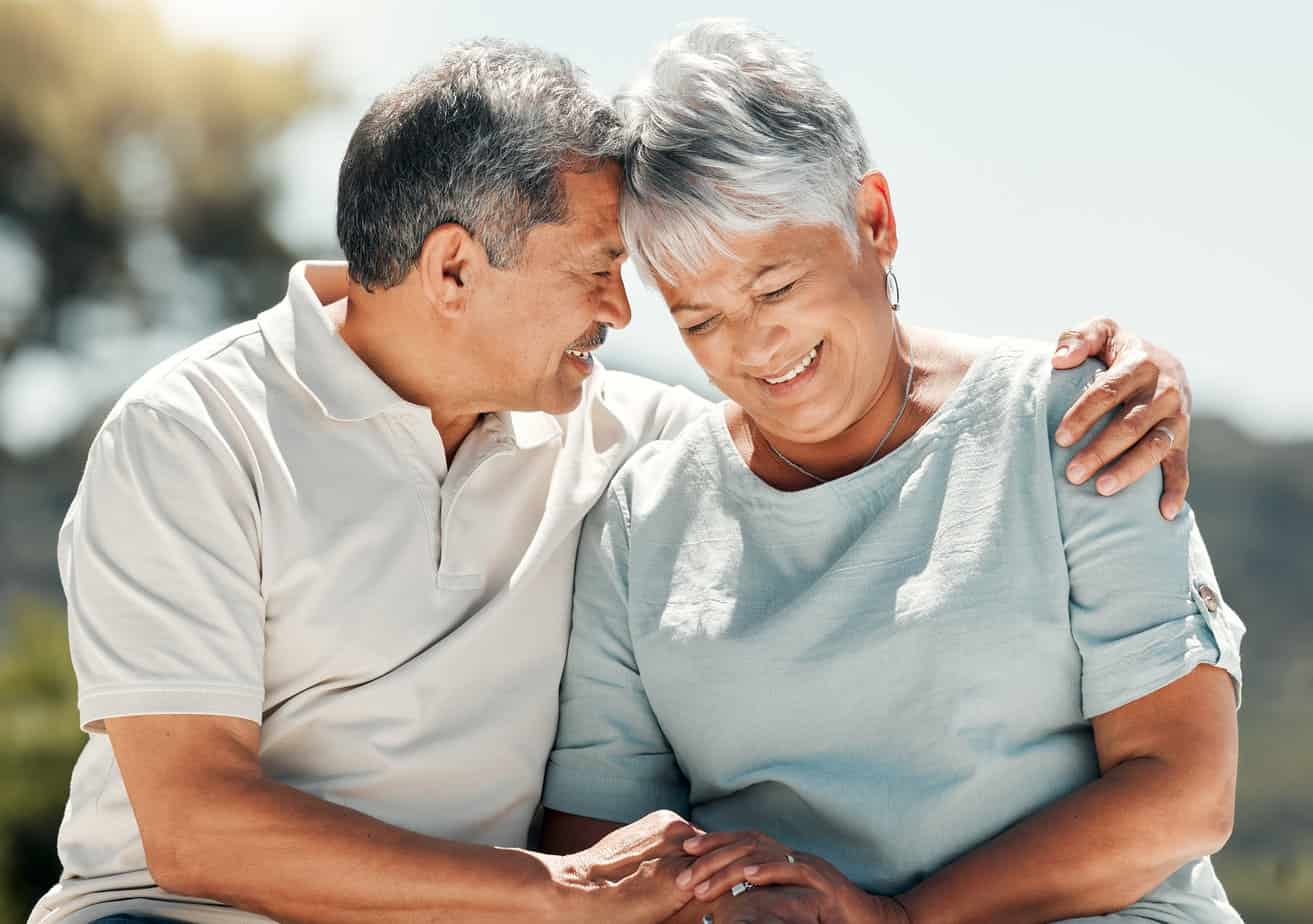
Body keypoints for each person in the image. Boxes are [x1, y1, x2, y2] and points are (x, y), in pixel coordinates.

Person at [33, 37, 1200, 924]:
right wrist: (548, 889)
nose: (624, 313)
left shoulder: (618, 437)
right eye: (605, 272)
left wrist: (1140, 372)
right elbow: (188, 828)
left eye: (763, 290)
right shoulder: (193, 432)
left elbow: (832, 418)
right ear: (452, 268)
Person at [540, 20, 1244, 924]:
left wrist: (897, 919)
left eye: (774, 288)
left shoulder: (1072, 419)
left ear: (873, 221)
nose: (753, 348)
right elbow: (591, 846)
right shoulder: (642, 513)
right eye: (699, 319)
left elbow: (1181, 795)